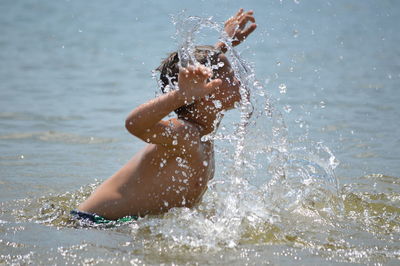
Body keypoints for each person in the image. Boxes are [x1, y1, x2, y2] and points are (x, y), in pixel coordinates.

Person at [72, 9, 256, 223]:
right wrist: (180, 95)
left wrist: (222, 44)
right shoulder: (185, 133)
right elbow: (135, 124)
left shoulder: (203, 132)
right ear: (203, 93)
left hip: (119, 223)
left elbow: (204, 72)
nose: (240, 79)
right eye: (231, 76)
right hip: (93, 223)